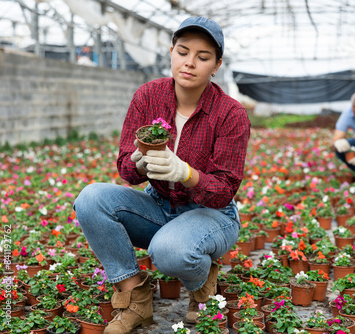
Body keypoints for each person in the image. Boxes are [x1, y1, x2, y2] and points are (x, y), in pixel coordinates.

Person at [73, 17, 250, 334]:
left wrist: (187, 173)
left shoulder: (230, 113)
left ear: (216, 65)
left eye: (203, 57)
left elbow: (224, 190)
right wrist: (139, 163)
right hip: (159, 204)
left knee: (169, 252)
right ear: (171, 52)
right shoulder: (148, 96)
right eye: (183, 52)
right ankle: (135, 299)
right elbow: (126, 169)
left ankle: (201, 284)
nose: (190, 63)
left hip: (211, 214)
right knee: (90, 200)